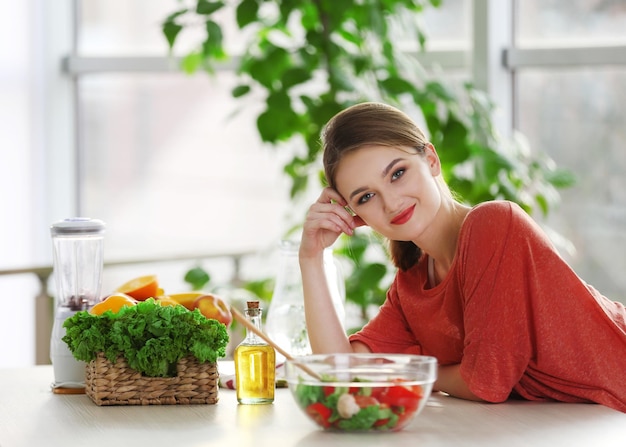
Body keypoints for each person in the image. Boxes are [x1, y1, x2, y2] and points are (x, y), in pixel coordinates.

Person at [299, 101, 626, 413]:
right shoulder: (411, 287)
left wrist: (417, 371)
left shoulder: (494, 225)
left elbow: (486, 383)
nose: (391, 203)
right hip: (586, 425)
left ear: (431, 159)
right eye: (366, 196)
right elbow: (342, 374)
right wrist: (311, 258)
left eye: (397, 173)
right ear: (353, 213)